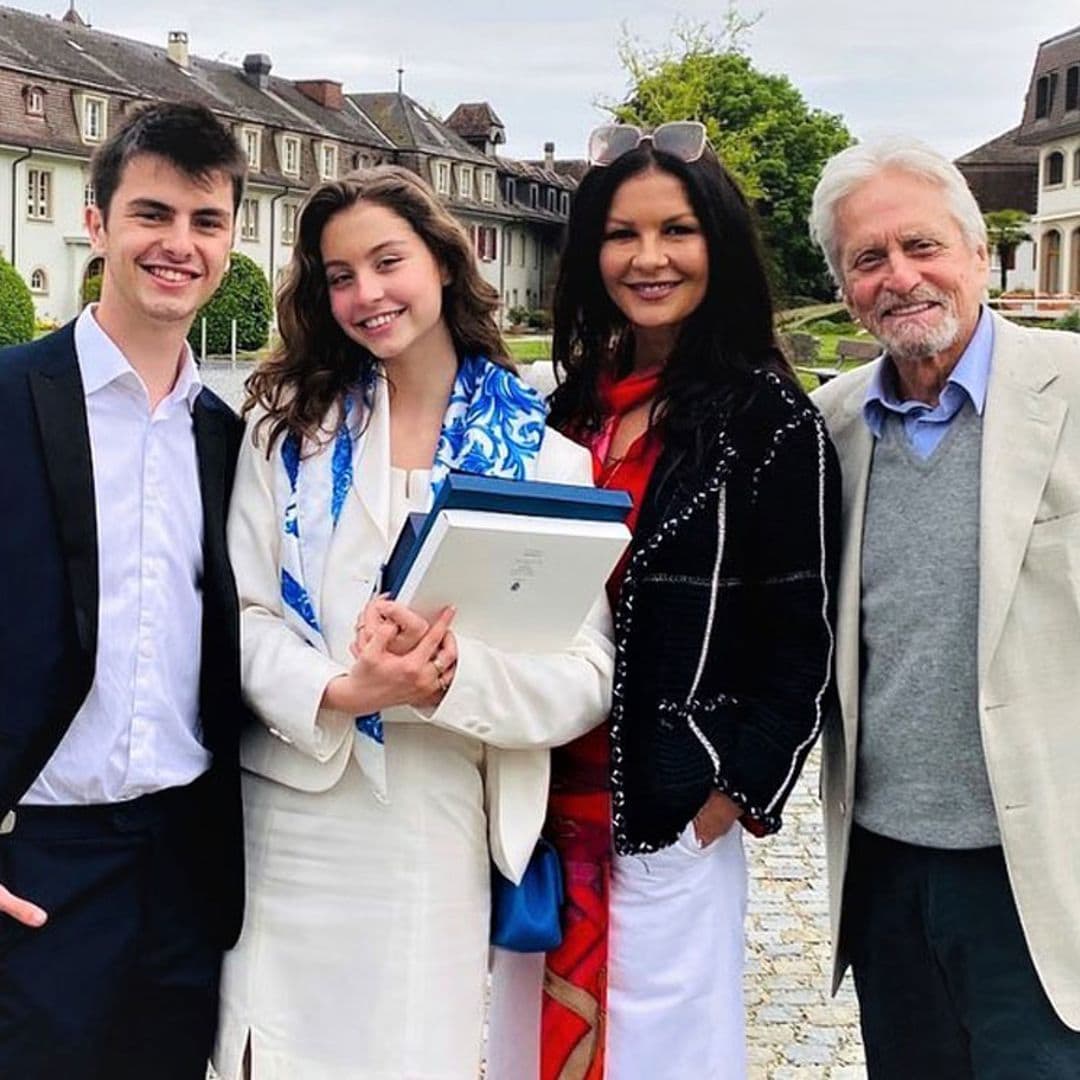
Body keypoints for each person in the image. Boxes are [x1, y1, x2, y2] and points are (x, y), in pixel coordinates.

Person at [213, 165, 614, 1080]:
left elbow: (588, 673)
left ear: (444, 258)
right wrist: (339, 687)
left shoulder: (543, 461)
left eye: (386, 261)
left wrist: (448, 680)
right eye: (338, 276)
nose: (365, 294)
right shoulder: (286, 431)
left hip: (436, 818)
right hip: (292, 806)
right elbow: (237, 613)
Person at [534, 121, 840, 1079]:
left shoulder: (770, 421)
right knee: (531, 1047)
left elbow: (804, 640)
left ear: (719, 243)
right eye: (623, 233)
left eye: (677, 231)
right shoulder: (569, 406)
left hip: (665, 807)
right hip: (534, 805)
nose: (648, 257)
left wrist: (734, 794)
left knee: (657, 1057)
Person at [809, 135, 1080, 1077]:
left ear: (975, 253)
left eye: (922, 247)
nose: (900, 277)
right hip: (885, 871)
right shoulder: (834, 424)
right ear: (845, 284)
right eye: (868, 259)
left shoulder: (1074, 392)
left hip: (1043, 869)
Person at [0, 102, 247, 1078]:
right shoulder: (9, 399)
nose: (178, 245)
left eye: (206, 220)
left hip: (188, 861)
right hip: (41, 855)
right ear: (97, 224)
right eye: (152, 214)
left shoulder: (231, 444)